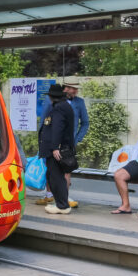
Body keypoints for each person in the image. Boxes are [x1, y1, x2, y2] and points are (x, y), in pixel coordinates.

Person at [35, 79, 88, 208]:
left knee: (59, 174)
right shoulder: (56, 104)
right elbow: (46, 122)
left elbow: (59, 127)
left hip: (61, 145)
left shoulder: (68, 105)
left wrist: (75, 139)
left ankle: (62, 202)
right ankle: (52, 197)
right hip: (54, 143)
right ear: (66, 89)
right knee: (53, 173)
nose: (75, 91)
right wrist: (43, 142)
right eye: (73, 88)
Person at [39, 83, 76, 215]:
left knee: (56, 177)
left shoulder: (59, 108)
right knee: (53, 176)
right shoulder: (63, 106)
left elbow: (57, 128)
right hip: (59, 147)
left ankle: (62, 205)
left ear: (51, 96)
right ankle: (61, 202)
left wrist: (55, 147)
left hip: (56, 149)